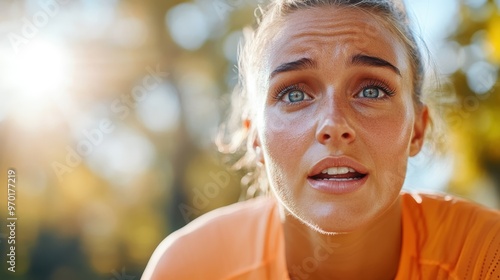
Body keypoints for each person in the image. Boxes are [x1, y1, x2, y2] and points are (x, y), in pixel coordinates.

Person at [142, 0, 500, 279]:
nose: (333, 124)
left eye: (372, 90)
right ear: (254, 136)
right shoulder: (191, 268)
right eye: (294, 95)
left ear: (417, 130)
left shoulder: (485, 257)